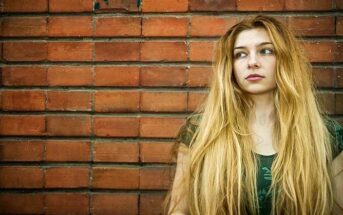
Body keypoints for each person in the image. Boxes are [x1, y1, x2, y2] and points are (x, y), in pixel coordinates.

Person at [164, 15, 343, 215]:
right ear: (230, 67)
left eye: (265, 51)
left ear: (285, 59)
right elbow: (178, 211)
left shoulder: (326, 135)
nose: (252, 62)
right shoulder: (199, 132)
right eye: (240, 54)